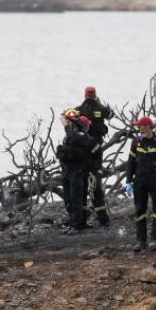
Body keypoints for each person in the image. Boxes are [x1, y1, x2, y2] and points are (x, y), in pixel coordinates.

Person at [125, 116, 156, 251]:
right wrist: (128, 181)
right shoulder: (136, 141)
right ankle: (141, 241)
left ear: (147, 126)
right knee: (139, 210)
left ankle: (154, 239)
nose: (138, 128)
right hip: (139, 181)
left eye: (139, 126)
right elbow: (130, 162)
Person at [75, 86, 114, 226]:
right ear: (95, 95)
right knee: (96, 183)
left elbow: (67, 116)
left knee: (83, 185)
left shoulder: (79, 109)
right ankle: (104, 220)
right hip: (96, 148)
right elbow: (110, 115)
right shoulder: (101, 109)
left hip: (83, 150)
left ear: (85, 95)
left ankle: (81, 220)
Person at [57, 109, 96, 233]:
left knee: (76, 198)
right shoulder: (70, 136)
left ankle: (77, 225)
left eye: (70, 122)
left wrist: (66, 126)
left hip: (77, 172)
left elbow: (74, 137)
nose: (67, 124)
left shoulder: (81, 136)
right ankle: (76, 223)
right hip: (68, 171)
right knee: (69, 199)